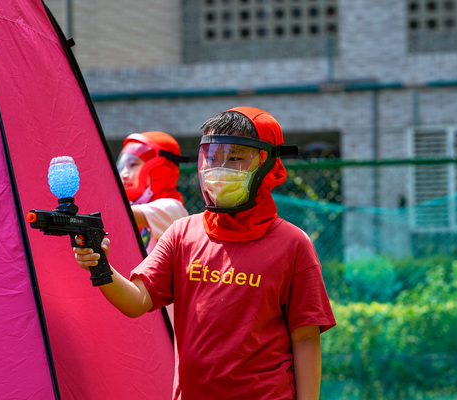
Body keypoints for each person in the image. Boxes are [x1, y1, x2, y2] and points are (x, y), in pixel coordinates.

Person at [75, 107, 336, 400]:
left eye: (235, 157)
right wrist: (100, 267)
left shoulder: (293, 244)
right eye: (212, 157)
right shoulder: (181, 234)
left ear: (269, 165)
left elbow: (305, 338)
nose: (220, 168)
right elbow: (137, 300)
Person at [116, 131, 189, 254]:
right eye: (123, 166)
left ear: (160, 170)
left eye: (133, 164)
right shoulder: (134, 206)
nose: (124, 174)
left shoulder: (173, 208)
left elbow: (122, 213)